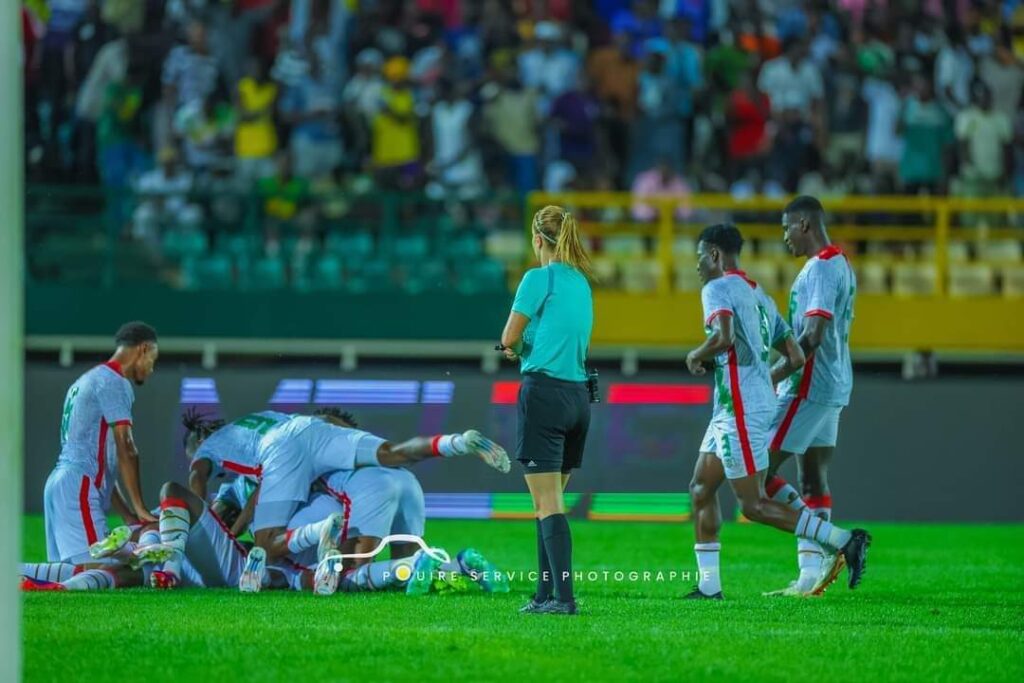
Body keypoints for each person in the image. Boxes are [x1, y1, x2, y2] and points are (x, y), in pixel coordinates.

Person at [684, 223, 869, 599]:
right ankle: (708, 588)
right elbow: (796, 354)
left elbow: (721, 336)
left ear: (716, 255)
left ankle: (844, 540)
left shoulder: (716, 288)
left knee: (753, 504)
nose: (698, 265)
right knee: (701, 488)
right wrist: (762, 380)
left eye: (701, 256)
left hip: (738, 412)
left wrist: (695, 355)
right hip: (733, 409)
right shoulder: (760, 295)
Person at [763, 195, 860, 597]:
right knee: (812, 477)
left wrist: (772, 374)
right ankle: (809, 576)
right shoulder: (841, 263)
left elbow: (812, 336)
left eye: (786, 228)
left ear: (804, 224)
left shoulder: (819, 268)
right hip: (835, 386)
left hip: (807, 387)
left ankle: (839, 540)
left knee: (755, 470)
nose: (784, 237)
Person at [500, 205, 594, 616]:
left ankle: (565, 599)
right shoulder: (581, 283)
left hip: (544, 395)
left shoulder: (537, 279)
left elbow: (509, 338)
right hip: (578, 398)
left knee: (546, 505)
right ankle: (544, 596)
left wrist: (515, 349)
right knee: (549, 502)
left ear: (537, 239)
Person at [42, 322, 160, 567]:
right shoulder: (115, 382)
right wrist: (140, 508)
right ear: (144, 349)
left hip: (58, 484)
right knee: (102, 571)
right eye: (153, 360)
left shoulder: (86, 380)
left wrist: (127, 514)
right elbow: (127, 447)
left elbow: (105, 463)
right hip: (78, 486)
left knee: (68, 574)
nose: (151, 369)